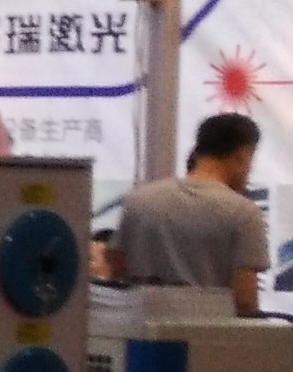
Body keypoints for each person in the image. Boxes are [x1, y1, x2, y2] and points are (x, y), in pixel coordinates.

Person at [105, 113, 270, 315]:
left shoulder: (138, 201)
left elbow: (116, 271)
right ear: (242, 155)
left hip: (141, 328)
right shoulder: (244, 213)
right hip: (209, 331)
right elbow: (245, 302)